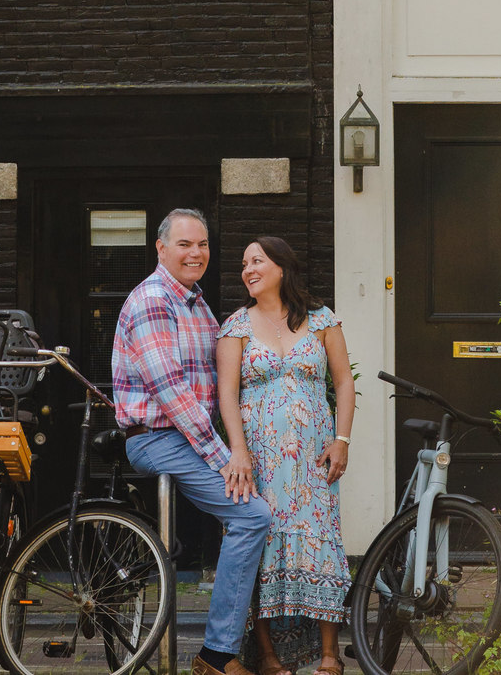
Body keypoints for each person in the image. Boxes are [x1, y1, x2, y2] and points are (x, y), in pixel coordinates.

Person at [113, 207, 273, 675]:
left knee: (260, 504)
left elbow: (223, 379)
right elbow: (173, 393)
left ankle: (251, 647)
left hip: (186, 438)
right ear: (161, 249)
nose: (196, 253)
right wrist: (225, 457)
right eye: (184, 244)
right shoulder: (152, 300)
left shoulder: (196, 302)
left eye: (202, 244)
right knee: (251, 514)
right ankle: (217, 657)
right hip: (157, 439)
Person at [217, 237, 355, 675]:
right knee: (260, 550)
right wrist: (239, 452)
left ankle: (329, 655)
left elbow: (344, 383)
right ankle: (270, 658)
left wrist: (342, 439)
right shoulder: (235, 327)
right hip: (259, 459)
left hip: (314, 460)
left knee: (321, 545)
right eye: (244, 264)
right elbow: (226, 395)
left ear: (282, 266)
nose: (248, 269)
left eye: (257, 260)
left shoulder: (321, 320)